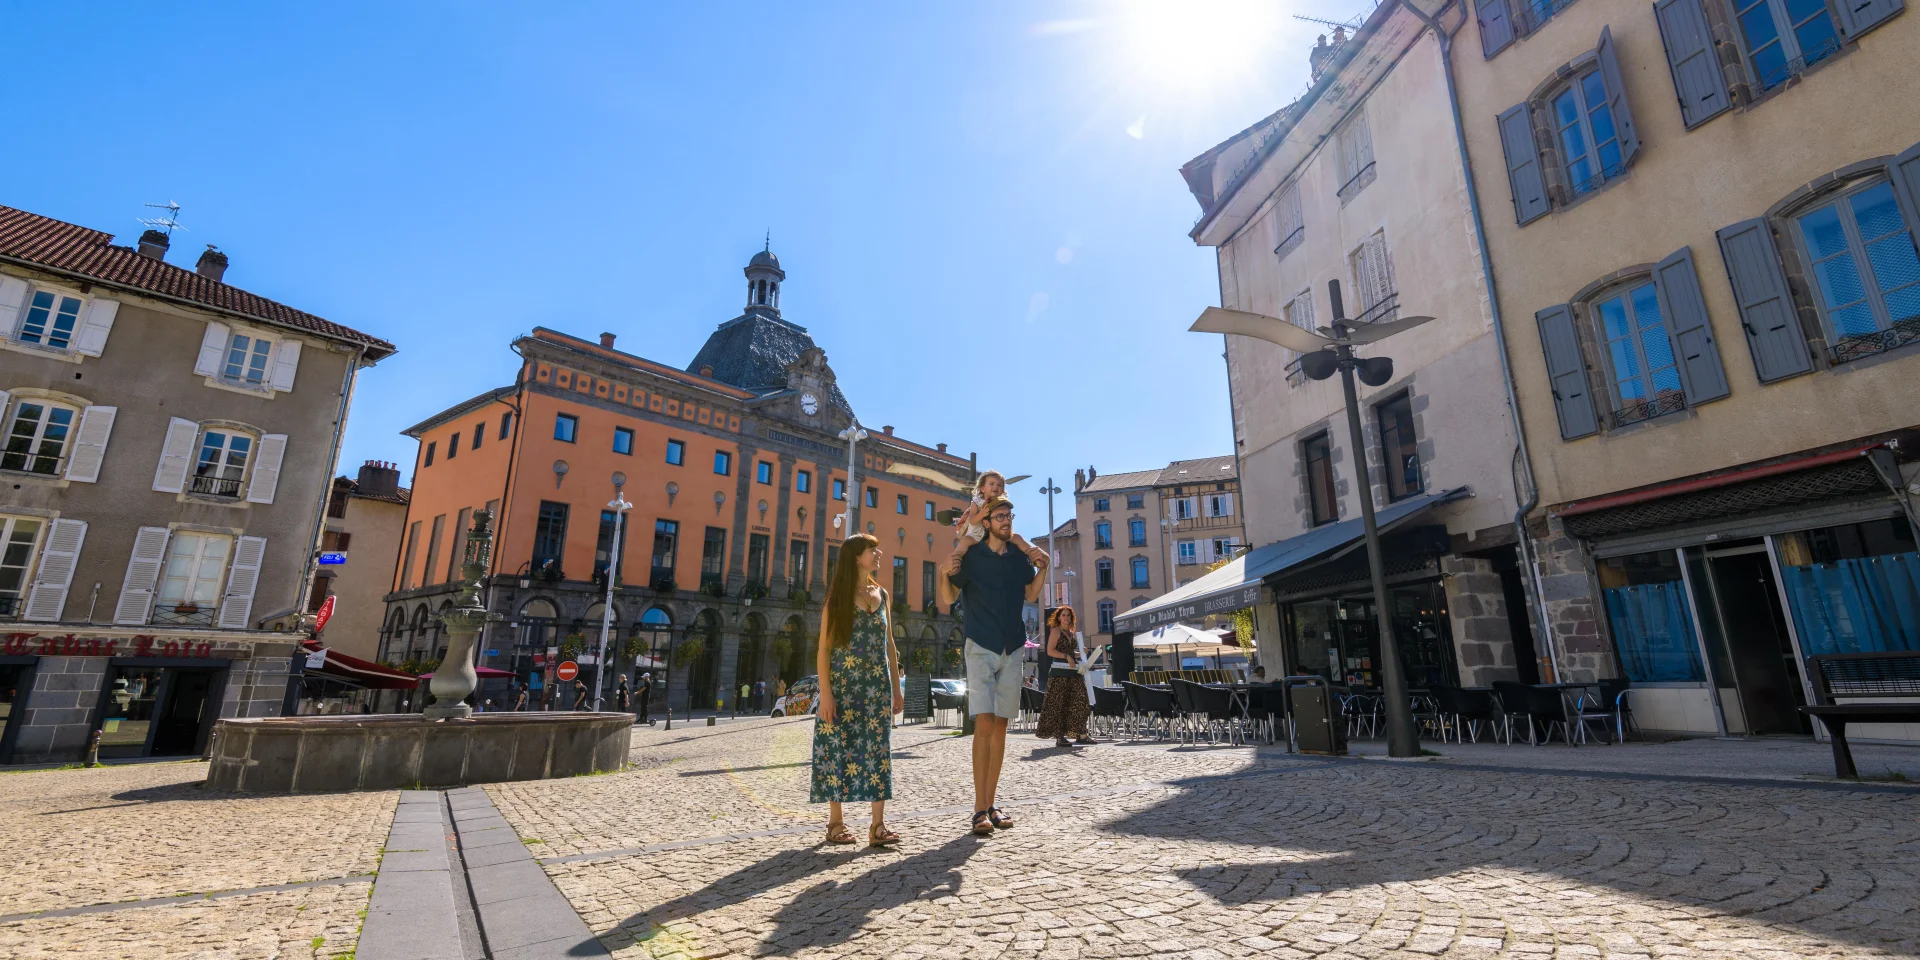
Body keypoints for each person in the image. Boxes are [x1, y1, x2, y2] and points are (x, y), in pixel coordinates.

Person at [944, 496, 1044, 837]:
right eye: (1000, 516)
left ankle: (990, 804)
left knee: (1001, 725)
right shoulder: (972, 556)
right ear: (986, 523)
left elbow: (1031, 595)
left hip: (1012, 646)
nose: (1006, 520)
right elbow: (948, 594)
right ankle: (978, 809)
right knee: (984, 722)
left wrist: (1043, 569)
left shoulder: (1018, 557)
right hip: (980, 645)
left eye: (1009, 515)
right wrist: (945, 570)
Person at [810, 534, 904, 847]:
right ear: (855, 557)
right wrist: (826, 693)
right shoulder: (837, 596)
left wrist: (897, 689)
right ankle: (835, 823)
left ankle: (877, 826)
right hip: (843, 687)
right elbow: (824, 649)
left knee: (878, 751)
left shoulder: (883, 594)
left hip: (877, 688)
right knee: (837, 748)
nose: (879, 553)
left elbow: (889, 644)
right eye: (872, 550)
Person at [943, 472, 1046, 589]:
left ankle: (1035, 558)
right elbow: (972, 520)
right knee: (965, 541)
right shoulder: (977, 502)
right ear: (982, 488)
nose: (996, 487)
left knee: (1017, 538)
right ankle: (955, 564)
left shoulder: (1002, 503)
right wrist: (981, 514)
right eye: (991, 484)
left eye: (1000, 485)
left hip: (996, 533)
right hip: (977, 534)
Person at [1035, 607, 1093, 747]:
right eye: (1063, 615)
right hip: (1059, 673)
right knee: (1059, 705)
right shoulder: (1056, 631)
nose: (1066, 617)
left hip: (1073, 673)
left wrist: (1081, 653)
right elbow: (1050, 651)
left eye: (1068, 615)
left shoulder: (1071, 633)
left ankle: (1081, 734)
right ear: (1059, 618)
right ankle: (1060, 737)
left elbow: (1071, 653)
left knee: (1081, 701)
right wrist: (1067, 656)